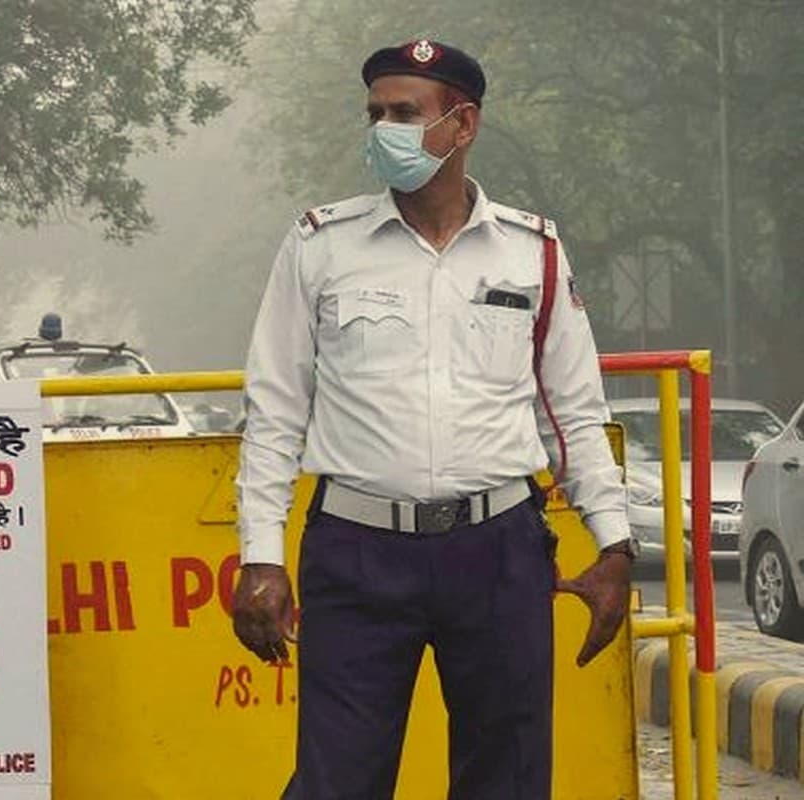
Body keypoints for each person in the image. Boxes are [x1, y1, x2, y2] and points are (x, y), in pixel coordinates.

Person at [231, 39, 635, 800]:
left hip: (499, 552)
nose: (385, 128)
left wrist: (615, 545)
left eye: (405, 113)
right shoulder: (322, 244)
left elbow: (575, 411)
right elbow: (275, 409)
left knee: (506, 779)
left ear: (463, 123)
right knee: (336, 781)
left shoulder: (533, 252)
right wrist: (259, 555)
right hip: (355, 554)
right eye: (376, 113)